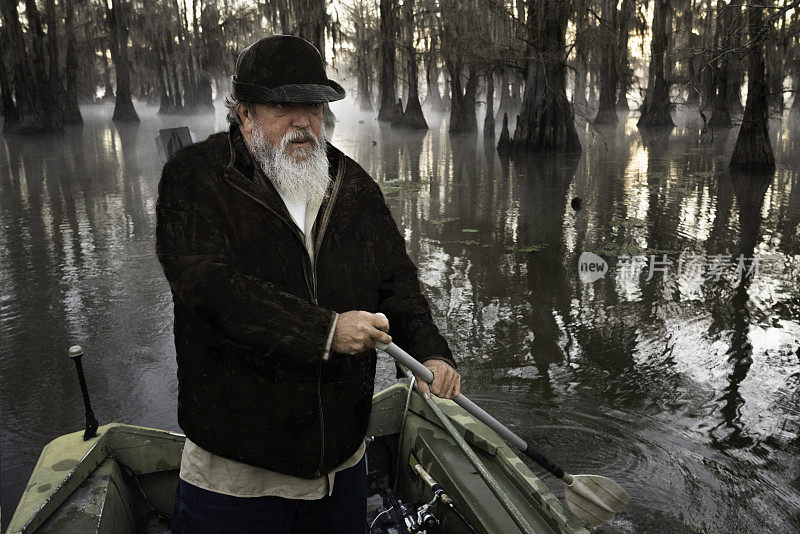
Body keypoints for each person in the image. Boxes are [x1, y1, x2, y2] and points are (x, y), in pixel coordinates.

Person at [155, 34, 460, 533]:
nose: (302, 121)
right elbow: (209, 289)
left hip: (342, 475)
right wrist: (324, 331)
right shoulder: (194, 179)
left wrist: (430, 352)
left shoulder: (354, 186)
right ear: (244, 113)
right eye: (282, 106)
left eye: (313, 106)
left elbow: (396, 282)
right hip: (236, 484)